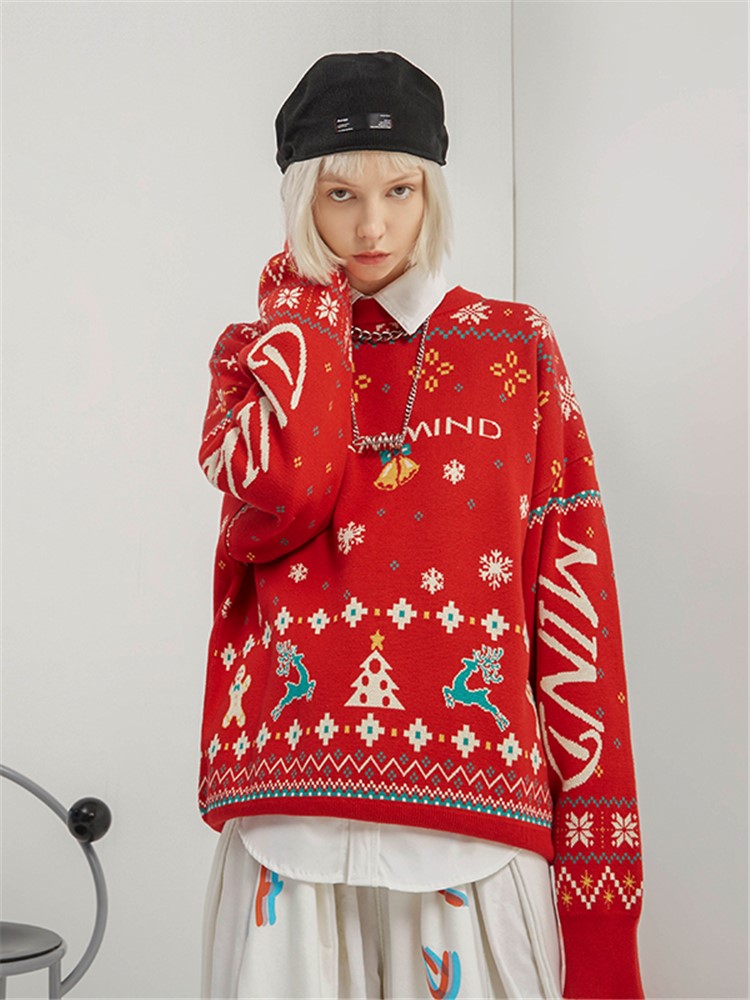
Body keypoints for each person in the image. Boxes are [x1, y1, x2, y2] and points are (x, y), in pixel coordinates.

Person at [198, 51, 644, 1000]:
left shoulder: (515, 346)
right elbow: (286, 494)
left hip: (473, 837)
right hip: (291, 828)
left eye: (399, 191)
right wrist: (306, 314)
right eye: (339, 195)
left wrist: (602, 911)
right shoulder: (258, 359)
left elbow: (574, 603)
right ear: (300, 201)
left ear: (431, 190)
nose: (371, 226)